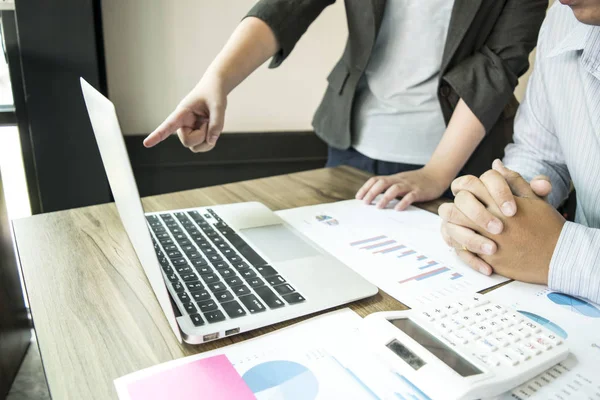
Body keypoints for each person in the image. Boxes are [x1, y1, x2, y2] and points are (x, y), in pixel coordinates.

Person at [143, 1, 547, 210]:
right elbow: (286, 6)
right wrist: (215, 81)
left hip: (462, 165)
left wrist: (436, 174)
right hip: (352, 149)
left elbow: (500, 63)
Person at [439, 0, 600, 304]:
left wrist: (559, 253)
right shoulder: (561, 21)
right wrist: (498, 208)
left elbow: (556, 253)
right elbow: (539, 152)